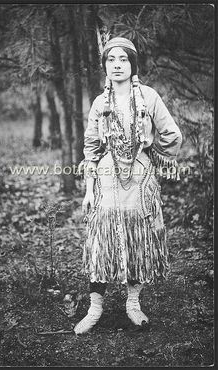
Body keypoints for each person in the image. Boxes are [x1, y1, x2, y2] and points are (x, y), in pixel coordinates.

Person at [74, 37, 182, 335]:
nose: (117, 65)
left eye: (123, 59)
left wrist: (151, 151)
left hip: (140, 177)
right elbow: (92, 149)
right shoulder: (100, 102)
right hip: (107, 178)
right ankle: (94, 309)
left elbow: (171, 134)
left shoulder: (149, 96)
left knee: (137, 238)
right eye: (111, 60)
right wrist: (87, 190)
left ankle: (133, 304)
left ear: (133, 65)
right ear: (105, 65)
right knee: (102, 242)